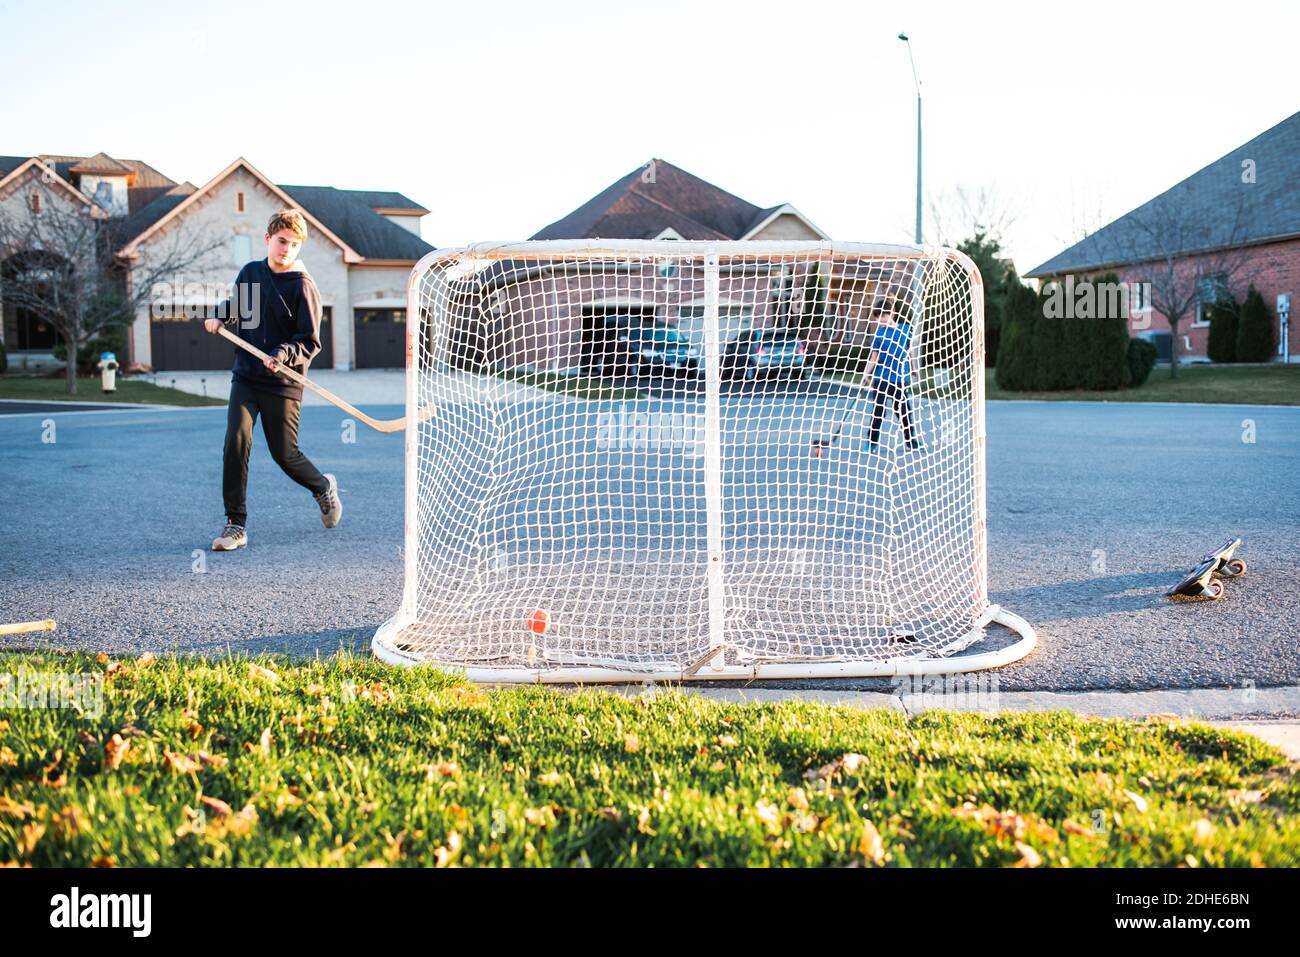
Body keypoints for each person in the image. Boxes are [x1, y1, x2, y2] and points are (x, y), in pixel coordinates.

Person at [204, 209, 342, 551]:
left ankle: (322, 487)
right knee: (236, 440)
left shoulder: (303, 286)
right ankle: (236, 524)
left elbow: (310, 341)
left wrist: (281, 355)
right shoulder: (251, 272)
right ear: (268, 239)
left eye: (294, 244)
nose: (287, 249)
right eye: (282, 241)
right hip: (247, 375)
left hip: (283, 381)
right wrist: (219, 316)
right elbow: (239, 306)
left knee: (285, 454)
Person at [864, 308, 920, 453]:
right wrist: (866, 374)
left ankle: (910, 440)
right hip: (882, 377)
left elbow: (910, 350)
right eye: (878, 317)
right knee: (879, 410)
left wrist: (913, 368)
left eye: (884, 315)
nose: (881, 319)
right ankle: (872, 442)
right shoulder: (879, 335)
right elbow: (874, 357)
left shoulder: (905, 330)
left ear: (892, 314)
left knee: (903, 410)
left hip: (900, 377)